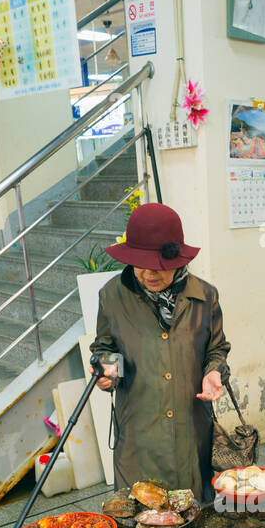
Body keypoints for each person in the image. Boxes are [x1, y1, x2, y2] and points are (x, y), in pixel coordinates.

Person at [90, 202, 230, 500]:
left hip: (191, 429)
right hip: (140, 430)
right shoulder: (113, 296)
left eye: (159, 266)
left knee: (194, 514)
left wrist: (214, 371)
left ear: (178, 261)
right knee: (141, 513)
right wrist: (108, 371)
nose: (150, 274)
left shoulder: (204, 296)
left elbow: (216, 349)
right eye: (141, 263)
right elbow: (105, 348)